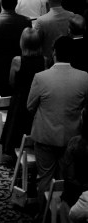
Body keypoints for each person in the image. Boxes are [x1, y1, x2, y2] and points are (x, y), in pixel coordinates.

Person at [27, 36, 88, 208]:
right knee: (65, 181)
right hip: (71, 138)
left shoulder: (41, 77)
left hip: (45, 135)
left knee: (45, 178)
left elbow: (30, 106)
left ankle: (43, 214)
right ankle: (60, 214)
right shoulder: (84, 77)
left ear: (54, 53)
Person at [0, 27, 45, 157]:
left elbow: (11, 82)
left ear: (22, 43)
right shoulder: (45, 60)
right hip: (37, 100)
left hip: (20, 100)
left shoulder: (17, 61)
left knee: (16, 126)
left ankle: (12, 149)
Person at [33, 0, 75, 65]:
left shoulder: (41, 21)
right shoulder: (72, 16)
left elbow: (35, 45)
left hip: (48, 64)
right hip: (69, 62)